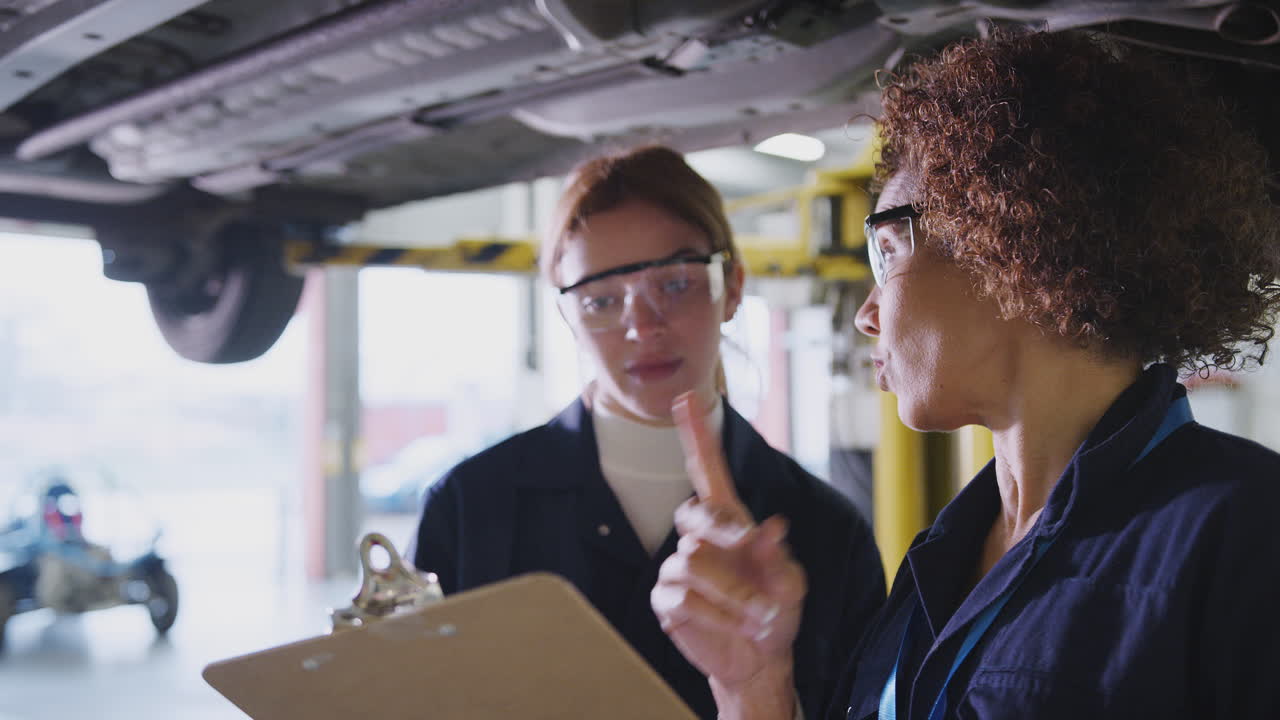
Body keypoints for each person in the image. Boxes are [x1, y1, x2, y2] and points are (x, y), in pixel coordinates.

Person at [651, 29, 1280, 720]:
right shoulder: (941, 558)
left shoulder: (1245, 534)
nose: (867, 313)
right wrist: (757, 684)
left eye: (887, 251)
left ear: (1013, 237)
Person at [408, 145, 886, 719]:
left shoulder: (827, 531)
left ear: (732, 286)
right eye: (602, 300)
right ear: (568, 316)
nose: (642, 325)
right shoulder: (468, 508)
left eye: (676, 283)